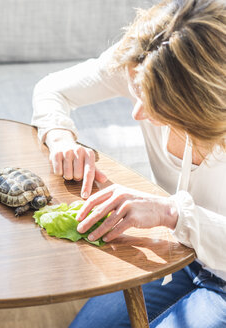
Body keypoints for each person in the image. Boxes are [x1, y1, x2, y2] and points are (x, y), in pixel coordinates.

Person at [32, 0, 225, 326]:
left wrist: (170, 212)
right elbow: (52, 89)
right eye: (136, 90)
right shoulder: (147, 64)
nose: (136, 113)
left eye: (153, 102)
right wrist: (61, 138)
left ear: (199, 106)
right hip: (179, 254)